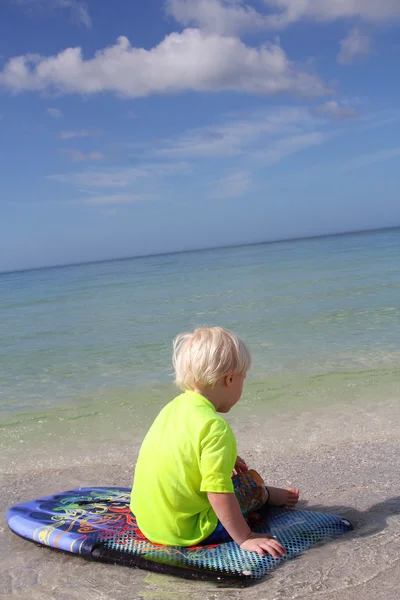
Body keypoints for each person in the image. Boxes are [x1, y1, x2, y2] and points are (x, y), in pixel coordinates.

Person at [130, 326, 299, 558]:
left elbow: (176, 450)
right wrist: (246, 537)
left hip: (149, 523)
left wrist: (227, 457)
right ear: (230, 378)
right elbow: (218, 493)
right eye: (243, 379)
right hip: (190, 531)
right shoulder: (215, 427)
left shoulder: (172, 409)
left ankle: (265, 494)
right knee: (244, 486)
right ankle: (268, 494)